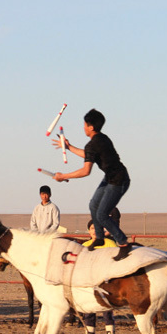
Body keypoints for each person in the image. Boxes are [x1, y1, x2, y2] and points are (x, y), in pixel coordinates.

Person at [53, 109, 131, 260]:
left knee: (102, 214)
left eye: (84, 125)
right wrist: (69, 147)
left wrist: (63, 176)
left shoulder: (94, 144)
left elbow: (85, 170)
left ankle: (123, 243)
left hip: (118, 181)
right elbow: (89, 155)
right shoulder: (102, 139)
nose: (83, 128)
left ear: (91, 127)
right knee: (93, 205)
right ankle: (99, 238)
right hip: (110, 178)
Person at [80, 220, 118, 334]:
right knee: (88, 312)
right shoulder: (84, 246)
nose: (94, 231)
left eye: (97, 228)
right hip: (89, 282)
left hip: (105, 282)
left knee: (107, 311)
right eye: (92, 228)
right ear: (88, 231)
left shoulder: (110, 243)